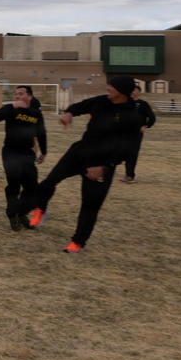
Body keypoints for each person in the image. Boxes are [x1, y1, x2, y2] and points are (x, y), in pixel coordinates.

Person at [26, 75, 141, 253]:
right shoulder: (102, 101)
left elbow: (128, 149)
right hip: (79, 152)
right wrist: (69, 113)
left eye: (112, 86)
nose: (108, 88)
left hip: (101, 165)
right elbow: (79, 106)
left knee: (90, 205)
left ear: (122, 91)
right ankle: (41, 209)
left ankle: (78, 242)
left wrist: (104, 168)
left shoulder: (132, 116)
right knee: (49, 181)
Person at [0, 85, 47, 231]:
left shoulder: (36, 113)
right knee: (14, 185)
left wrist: (44, 151)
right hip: (10, 152)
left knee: (32, 187)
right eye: (16, 94)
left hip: (27, 154)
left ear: (29, 97)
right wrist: (11, 105)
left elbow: (41, 133)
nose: (17, 96)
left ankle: (21, 213)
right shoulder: (11, 109)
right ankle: (12, 215)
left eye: (21, 94)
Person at [120, 85, 156, 184]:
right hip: (126, 132)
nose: (132, 91)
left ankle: (130, 176)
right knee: (125, 153)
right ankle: (127, 174)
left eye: (134, 90)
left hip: (136, 133)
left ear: (139, 92)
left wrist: (145, 126)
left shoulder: (143, 104)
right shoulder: (126, 103)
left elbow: (152, 118)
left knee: (133, 153)